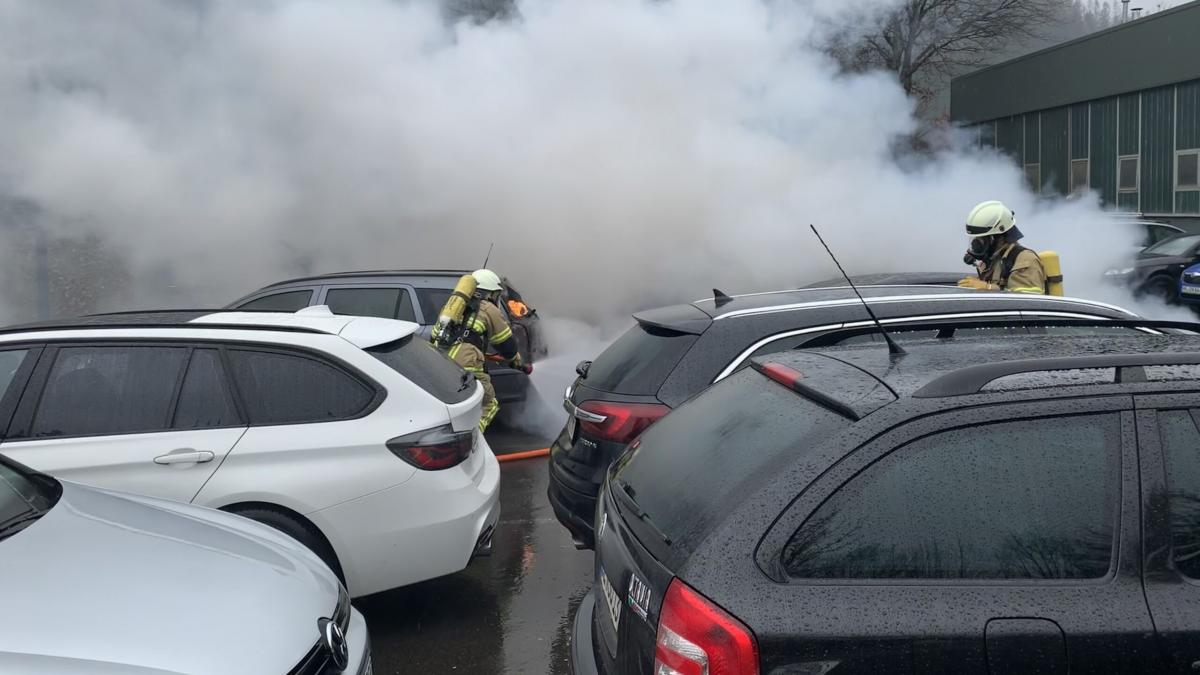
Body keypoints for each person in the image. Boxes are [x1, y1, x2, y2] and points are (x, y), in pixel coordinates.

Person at [432, 268, 526, 432]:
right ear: (489, 293)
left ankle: (447, 437)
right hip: (466, 366)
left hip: (439, 363)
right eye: (495, 295)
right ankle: (471, 439)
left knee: (451, 406)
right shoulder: (488, 309)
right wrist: (515, 359)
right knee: (488, 404)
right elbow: (507, 346)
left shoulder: (452, 307)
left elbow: (436, 336)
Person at [957, 200, 1047, 294]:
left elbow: (1026, 299)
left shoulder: (1025, 259)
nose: (976, 243)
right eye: (975, 238)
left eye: (981, 238)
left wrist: (988, 288)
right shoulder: (994, 261)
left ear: (998, 237)